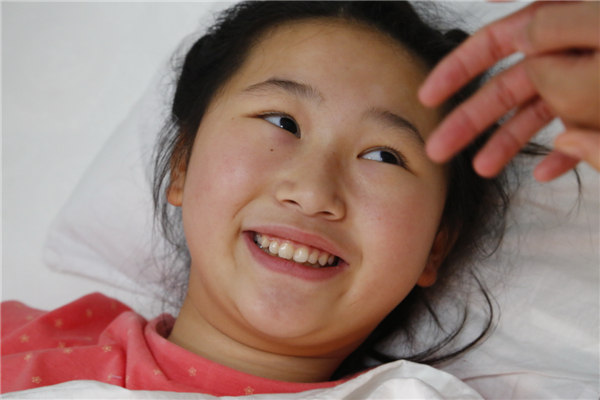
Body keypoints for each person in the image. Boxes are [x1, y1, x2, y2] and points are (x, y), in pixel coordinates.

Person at [1, 1, 597, 396]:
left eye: (384, 156)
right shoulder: (23, 339)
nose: (313, 193)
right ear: (181, 163)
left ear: (435, 246)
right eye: (281, 121)